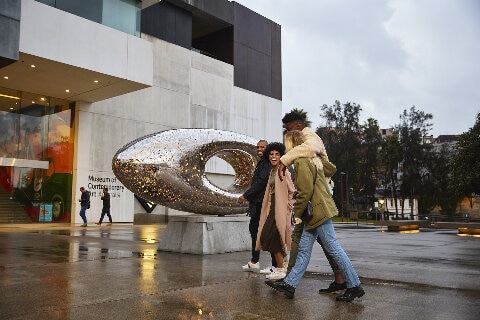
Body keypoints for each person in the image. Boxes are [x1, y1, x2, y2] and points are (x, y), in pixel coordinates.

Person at [266, 131, 364, 302]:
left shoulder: (302, 161)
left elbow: (305, 192)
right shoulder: (312, 159)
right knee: (304, 250)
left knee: (333, 248)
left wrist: (297, 214)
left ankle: (354, 285)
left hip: (317, 211)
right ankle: (290, 283)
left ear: (292, 145)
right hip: (317, 210)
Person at [280, 111, 347, 294]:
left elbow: (310, 149)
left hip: (319, 194)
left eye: (289, 129)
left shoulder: (309, 134)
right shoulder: (305, 138)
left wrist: (284, 161)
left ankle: (289, 280)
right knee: (322, 242)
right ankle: (340, 279)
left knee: (308, 239)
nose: (288, 133)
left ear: (298, 126)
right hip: (318, 192)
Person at [255, 142, 296, 280]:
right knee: (268, 236)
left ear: (281, 156)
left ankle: (280, 269)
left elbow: (292, 191)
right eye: (271, 154)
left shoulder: (283, 170)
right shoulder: (272, 171)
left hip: (280, 209)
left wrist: (288, 207)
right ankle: (284, 263)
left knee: (272, 236)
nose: (274, 156)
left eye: (277, 154)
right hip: (272, 208)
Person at [238, 140, 278, 273]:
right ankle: (255, 261)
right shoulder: (262, 162)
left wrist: (245, 195)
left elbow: (261, 182)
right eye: (258, 147)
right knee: (255, 231)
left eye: (263, 147)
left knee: (266, 233)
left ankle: (275, 265)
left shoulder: (267, 163)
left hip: (263, 203)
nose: (259, 149)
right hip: (258, 203)